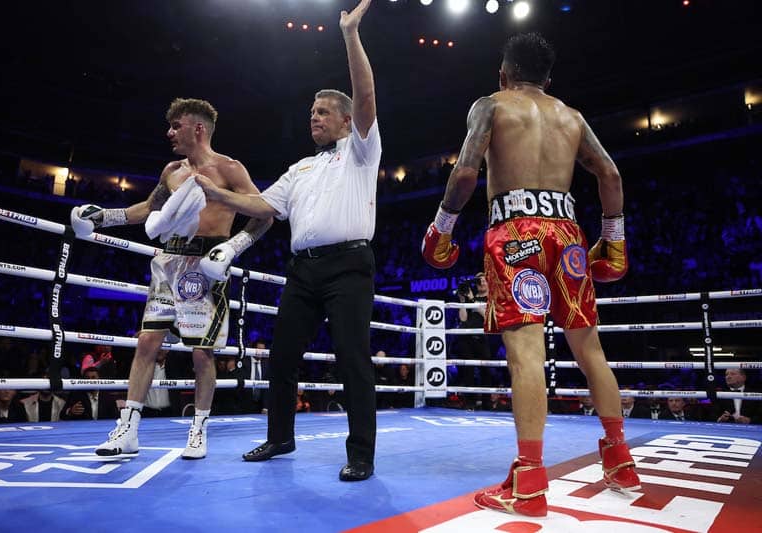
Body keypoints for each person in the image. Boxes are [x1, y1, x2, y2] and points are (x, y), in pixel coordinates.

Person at [421, 33, 639, 516]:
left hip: (515, 232)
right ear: (547, 78)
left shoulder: (491, 104)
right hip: (568, 234)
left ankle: (529, 483)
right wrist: (615, 239)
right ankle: (621, 460)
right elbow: (611, 176)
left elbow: (464, 174)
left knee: (525, 355)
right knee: (590, 348)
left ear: (503, 73)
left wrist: (442, 227)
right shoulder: (572, 116)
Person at [195, 0, 380, 481]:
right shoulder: (299, 168)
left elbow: (365, 97)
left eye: (322, 112)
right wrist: (215, 192)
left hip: (348, 266)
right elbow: (263, 207)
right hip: (303, 271)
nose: (314, 118)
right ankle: (280, 436)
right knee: (281, 356)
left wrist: (350, 34)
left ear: (344, 120)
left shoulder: (361, 151)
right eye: (311, 112)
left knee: (352, 358)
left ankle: (361, 452)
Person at [70, 97, 272, 459]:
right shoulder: (172, 171)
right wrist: (104, 217)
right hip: (170, 260)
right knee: (147, 343)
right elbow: (148, 210)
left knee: (201, 354)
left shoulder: (229, 168)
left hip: (206, 263)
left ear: (198, 128)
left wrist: (234, 247)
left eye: (175, 125)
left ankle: (198, 431)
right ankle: (128, 430)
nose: (169, 133)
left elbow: (264, 213)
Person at [455, 272, 492, 409]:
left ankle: (487, 404)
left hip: (483, 338)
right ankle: (469, 403)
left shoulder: (491, 298)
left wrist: (472, 300)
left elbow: (487, 316)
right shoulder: (471, 297)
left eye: (483, 280)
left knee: (485, 372)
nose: (481, 283)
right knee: (468, 371)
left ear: (488, 282)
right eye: (478, 281)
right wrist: (463, 302)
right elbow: (463, 319)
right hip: (467, 338)